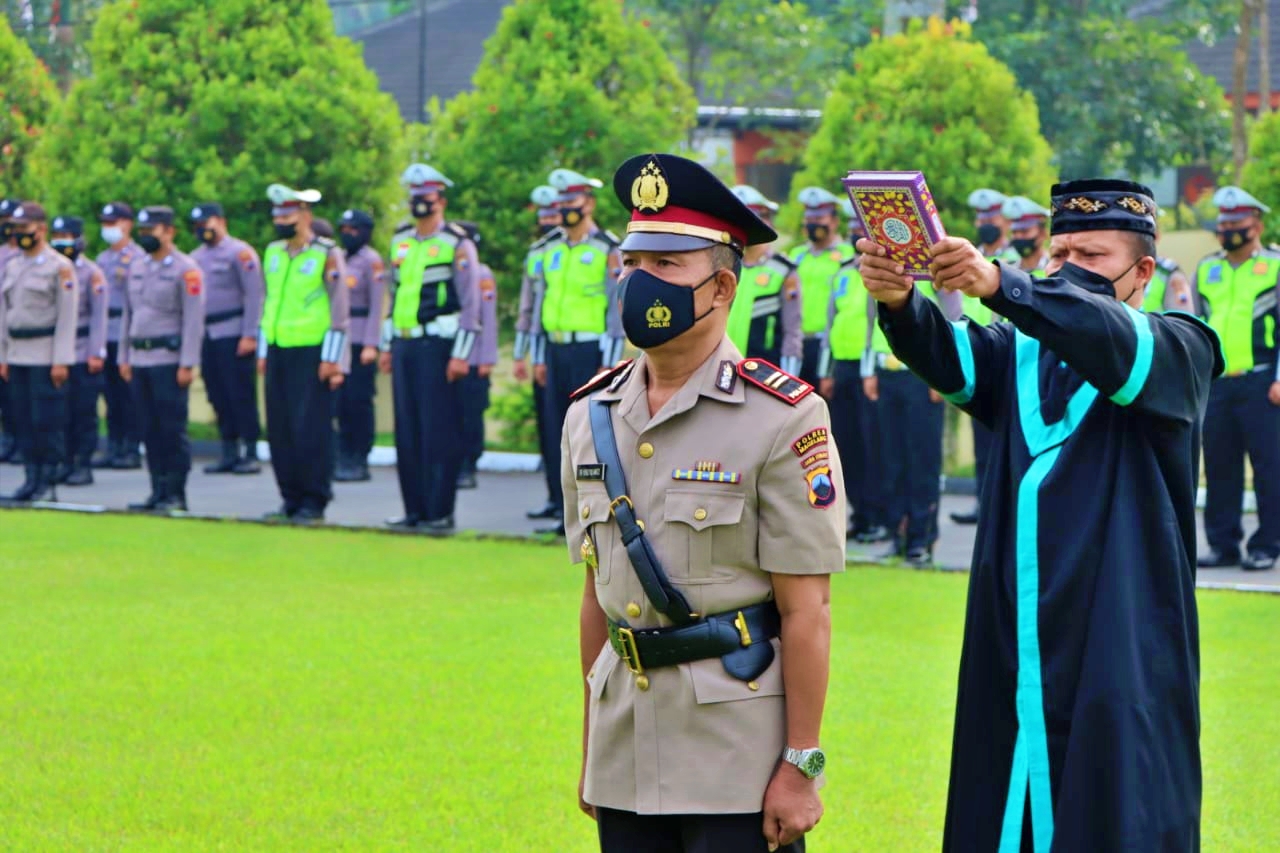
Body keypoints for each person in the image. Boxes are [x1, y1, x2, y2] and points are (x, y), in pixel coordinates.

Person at [858, 178, 1220, 850]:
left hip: (1121, 637)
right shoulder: (1021, 349)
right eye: (1059, 254)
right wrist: (900, 299)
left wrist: (1006, 284)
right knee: (1003, 798)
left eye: (1093, 255)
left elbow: (1104, 335)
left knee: (1115, 809)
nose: (1069, 269)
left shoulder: (1181, 349)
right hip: (1015, 630)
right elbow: (947, 353)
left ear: (1143, 272)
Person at [565, 152, 844, 853]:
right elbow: (598, 594)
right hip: (626, 748)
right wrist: (593, 741)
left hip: (737, 760)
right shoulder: (588, 413)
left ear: (721, 285)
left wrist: (801, 764)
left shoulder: (783, 416)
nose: (638, 282)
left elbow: (806, 611)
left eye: (665, 265)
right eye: (632, 261)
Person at [381, 164, 479, 531]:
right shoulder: (400, 241)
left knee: (438, 430)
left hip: (439, 346)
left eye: (427, 196)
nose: (420, 202)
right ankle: (414, 509)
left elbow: (472, 305)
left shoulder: (456, 243)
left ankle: (439, 511)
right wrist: (386, 345)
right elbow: (394, 296)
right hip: (405, 343)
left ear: (441, 199)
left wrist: (461, 354)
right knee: (407, 431)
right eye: (414, 196)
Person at [535, 167, 625, 536]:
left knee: (586, 435)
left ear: (588, 202)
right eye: (561, 202)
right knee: (556, 429)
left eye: (572, 201)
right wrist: (538, 356)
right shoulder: (549, 248)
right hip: (555, 348)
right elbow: (542, 302)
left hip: (591, 351)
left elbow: (615, 308)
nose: (565, 208)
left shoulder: (607, 248)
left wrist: (611, 359)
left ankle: (588, 511)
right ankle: (559, 505)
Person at [1196, 185, 1280, 571]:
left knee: (1269, 466)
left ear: (1256, 224)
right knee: (1220, 466)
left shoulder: (1275, 265)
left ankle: (1267, 544)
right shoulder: (1207, 269)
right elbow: (1197, 328)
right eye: (1224, 221)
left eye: (1237, 221)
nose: (1228, 227)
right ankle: (1223, 543)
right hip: (1218, 385)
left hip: (1263, 383)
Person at [951, 194, 1047, 526]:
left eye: (991, 218)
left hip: (1024, 361)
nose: (984, 225)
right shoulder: (979, 259)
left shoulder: (1013, 267)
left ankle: (1010, 507)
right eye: (979, 219)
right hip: (986, 357)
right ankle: (985, 503)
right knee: (983, 442)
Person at [258, 183, 349, 523]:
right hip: (280, 347)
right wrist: (265, 348)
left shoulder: (325, 253)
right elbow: (269, 303)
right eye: (278, 214)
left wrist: (333, 358)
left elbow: (339, 311)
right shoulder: (274, 253)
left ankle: (314, 499)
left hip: (312, 352)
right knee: (280, 428)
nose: (281, 220)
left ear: (305, 215)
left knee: (310, 428)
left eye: (288, 214)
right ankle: (290, 497)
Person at [118, 206, 205, 512]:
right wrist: (124, 355)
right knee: (148, 429)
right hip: (140, 358)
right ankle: (157, 490)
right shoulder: (137, 266)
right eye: (141, 232)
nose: (145, 238)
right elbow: (129, 313)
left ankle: (176, 493)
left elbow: (194, 320)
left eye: (151, 231)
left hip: (168, 360)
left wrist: (187, 362)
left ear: (169, 232)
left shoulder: (185, 268)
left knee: (171, 429)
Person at [818, 204, 889, 544]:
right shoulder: (843, 272)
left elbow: (875, 324)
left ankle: (877, 515)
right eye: (849, 227)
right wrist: (826, 370)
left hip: (866, 370)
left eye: (858, 227)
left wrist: (867, 369)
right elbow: (831, 324)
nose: (852, 233)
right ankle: (858, 515)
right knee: (845, 446)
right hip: (841, 367)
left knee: (871, 444)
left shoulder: (881, 271)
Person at [0, 202, 77, 502]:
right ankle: (31, 478)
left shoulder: (59, 266)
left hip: (44, 354)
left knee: (46, 420)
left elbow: (66, 317)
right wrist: (3, 356)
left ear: (41, 229)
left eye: (25, 229)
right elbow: (5, 315)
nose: (19, 234)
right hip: (17, 353)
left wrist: (61, 360)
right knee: (22, 420)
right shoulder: (13, 265)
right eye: (16, 229)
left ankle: (48, 481)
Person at [190, 202, 265, 475]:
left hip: (233, 332)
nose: (202, 231)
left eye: (206, 224)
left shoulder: (240, 253)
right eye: (197, 227)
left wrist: (250, 333)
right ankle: (229, 450)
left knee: (241, 394)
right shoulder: (195, 257)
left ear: (220, 221)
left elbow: (254, 295)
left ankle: (251, 451)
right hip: (207, 334)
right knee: (218, 394)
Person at [515, 185, 563, 522]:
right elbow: (527, 308)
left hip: (577, 345)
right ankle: (552, 496)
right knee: (548, 428)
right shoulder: (537, 252)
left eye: (553, 214)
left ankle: (569, 504)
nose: (547, 221)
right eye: (543, 216)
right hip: (542, 347)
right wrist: (523, 354)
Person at [49, 215, 108, 486]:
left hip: (84, 349)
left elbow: (99, 317)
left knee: (83, 412)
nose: (62, 242)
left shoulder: (91, 273)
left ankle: (82, 464)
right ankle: (65, 461)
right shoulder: (51, 270)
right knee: (60, 413)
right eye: (58, 236)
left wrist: (97, 351)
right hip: (57, 352)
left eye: (67, 236)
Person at [333, 207, 385, 483]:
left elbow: (378, 306)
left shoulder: (371, 261)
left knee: (358, 401)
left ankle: (359, 458)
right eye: (344, 229)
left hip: (360, 338)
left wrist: (371, 344)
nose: (348, 234)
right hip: (340, 338)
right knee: (339, 402)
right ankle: (342, 456)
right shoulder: (338, 258)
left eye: (354, 230)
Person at [727, 184, 803, 375]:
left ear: (766, 222)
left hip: (765, 372)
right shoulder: (723, 267)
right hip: (725, 368)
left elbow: (792, 331)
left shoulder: (783, 270)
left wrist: (789, 376)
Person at [94, 202, 143, 469]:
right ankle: (114, 447)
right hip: (106, 331)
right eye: (105, 223)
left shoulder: (137, 256)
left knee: (129, 395)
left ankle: (131, 448)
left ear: (127, 224)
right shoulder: (102, 259)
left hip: (126, 330)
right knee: (110, 395)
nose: (108, 228)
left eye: (113, 222)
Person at [789, 187, 853, 385]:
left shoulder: (847, 255)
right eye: (809, 220)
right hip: (797, 343)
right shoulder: (796, 256)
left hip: (828, 344)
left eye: (819, 219)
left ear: (834, 221)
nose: (813, 225)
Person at [455, 221, 497, 489]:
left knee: (471, 415)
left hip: (474, 358)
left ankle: (469, 464)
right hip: (452, 356)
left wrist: (486, 358)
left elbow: (488, 318)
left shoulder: (482, 274)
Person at [0, 197, 23, 463]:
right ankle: (8, 440)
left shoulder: (35, 257)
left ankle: (22, 444)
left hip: (20, 334)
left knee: (20, 395)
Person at [1004, 196, 1051, 277]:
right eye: (1014, 232)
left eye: (1024, 231)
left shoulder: (1053, 269)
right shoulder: (1007, 272)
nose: (1018, 237)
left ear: (1042, 233)